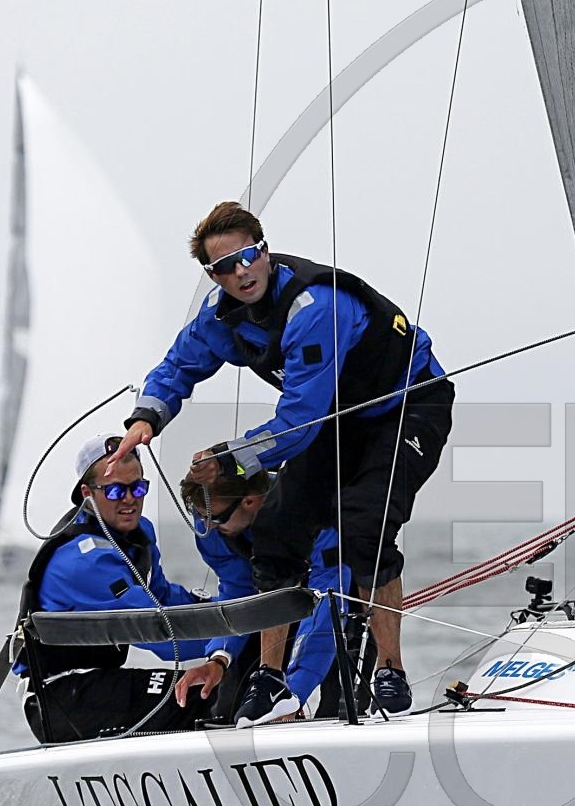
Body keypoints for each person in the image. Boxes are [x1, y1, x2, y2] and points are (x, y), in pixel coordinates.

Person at [104, 201, 453, 720]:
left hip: (406, 407)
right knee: (274, 530)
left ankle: (391, 672)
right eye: (225, 267)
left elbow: (298, 423)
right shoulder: (220, 316)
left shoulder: (314, 309)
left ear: (265, 251)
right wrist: (145, 420)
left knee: (365, 529)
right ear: (213, 275)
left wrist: (229, 460)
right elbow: (179, 365)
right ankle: (271, 680)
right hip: (337, 418)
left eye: (249, 256)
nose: (241, 272)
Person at [14, 434, 231, 743]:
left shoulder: (138, 534)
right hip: (60, 697)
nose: (129, 499)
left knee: (224, 683)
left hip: (97, 682)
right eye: (115, 490)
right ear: (87, 494)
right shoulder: (84, 561)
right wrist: (232, 642)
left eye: (137, 488)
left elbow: (164, 598)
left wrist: (231, 609)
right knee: (208, 693)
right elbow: (160, 632)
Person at [173, 462, 359, 724]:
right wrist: (218, 659)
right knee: (230, 708)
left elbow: (327, 597)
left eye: (214, 519)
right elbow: (237, 590)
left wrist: (293, 694)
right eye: (201, 517)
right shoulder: (212, 517)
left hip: (336, 595)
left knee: (339, 704)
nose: (207, 527)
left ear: (249, 502)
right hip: (269, 603)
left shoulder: (310, 507)